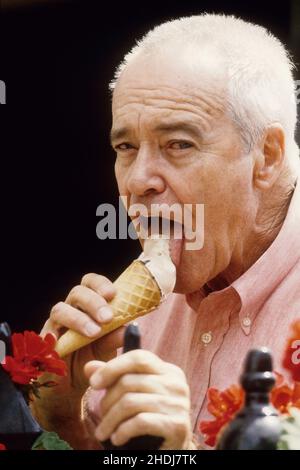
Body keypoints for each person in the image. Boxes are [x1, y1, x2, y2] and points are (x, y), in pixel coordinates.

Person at [31, 14, 300, 449]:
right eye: (126, 147)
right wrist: (70, 420)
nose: (138, 181)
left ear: (266, 156)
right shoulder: (134, 314)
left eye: (179, 144)